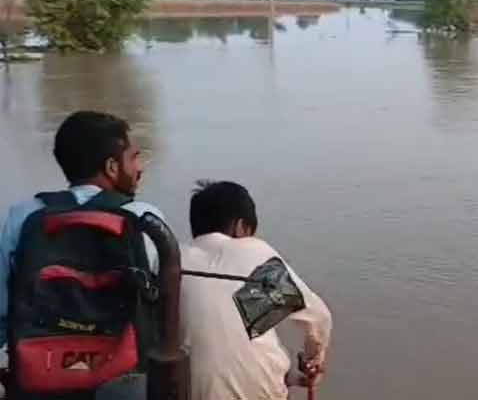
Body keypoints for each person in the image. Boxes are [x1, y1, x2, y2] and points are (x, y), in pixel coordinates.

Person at [0, 110, 167, 399]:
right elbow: (165, 309)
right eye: (134, 158)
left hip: (39, 370)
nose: (139, 168)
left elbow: (3, 308)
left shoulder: (22, 217)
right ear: (112, 167)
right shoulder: (145, 219)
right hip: (124, 376)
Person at [180, 181, 333, 400]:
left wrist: (289, 376)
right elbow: (318, 320)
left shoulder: (172, 260)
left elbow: (222, 345)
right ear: (241, 227)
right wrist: (312, 362)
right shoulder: (254, 254)